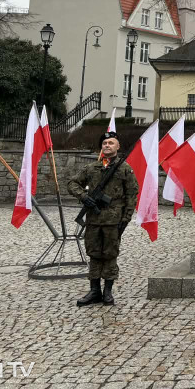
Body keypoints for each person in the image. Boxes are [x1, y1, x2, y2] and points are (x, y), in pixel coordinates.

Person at [68, 130, 139, 306]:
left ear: (118, 146)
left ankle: (107, 292)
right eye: (105, 144)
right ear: (102, 147)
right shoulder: (92, 168)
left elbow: (132, 194)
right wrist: (84, 196)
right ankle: (94, 291)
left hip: (114, 221)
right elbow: (72, 183)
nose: (107, 146)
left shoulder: (125, 169)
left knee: (110, 255)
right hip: (93, 220)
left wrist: (126, 218)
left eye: (111, 143)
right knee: (94, 254)